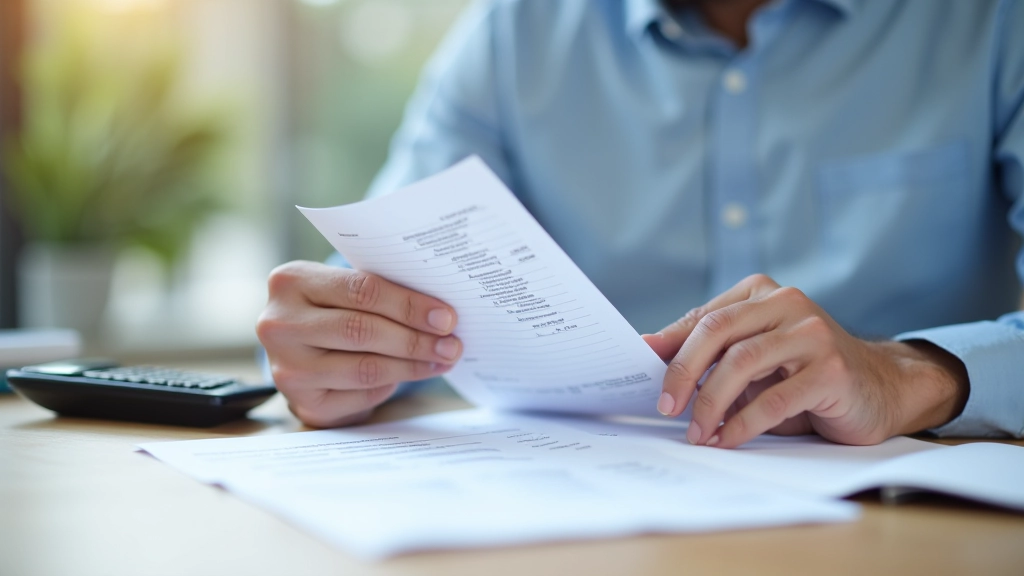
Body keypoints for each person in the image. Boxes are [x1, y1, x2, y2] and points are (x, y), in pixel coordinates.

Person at [256, 0, 1024, 447]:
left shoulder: (992, 24)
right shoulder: (516, 31)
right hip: (585, 526)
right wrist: (336, 357)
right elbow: (371, 289)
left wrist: (912, 375)